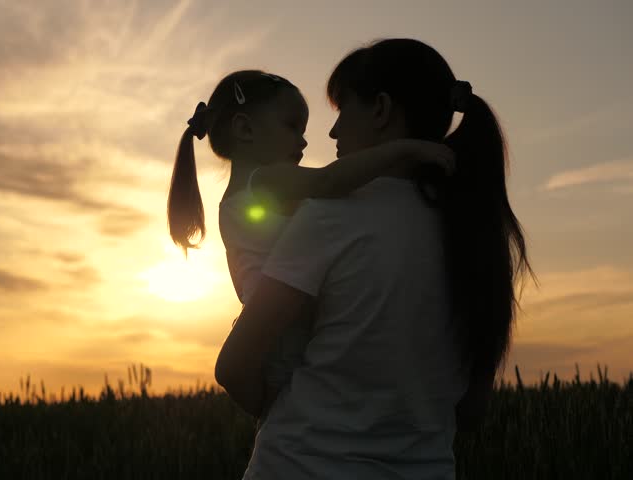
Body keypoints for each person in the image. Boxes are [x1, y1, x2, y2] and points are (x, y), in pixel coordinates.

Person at [215, 39, 534, 479]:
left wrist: (278, 410)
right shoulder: (475, 232)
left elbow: (234, 367)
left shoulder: (331, 215)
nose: (331, 133)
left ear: (381, 110)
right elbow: (471, 410)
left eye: (343, 110)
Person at [167, 69, 454, 423]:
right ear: (244, 129)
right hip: (284, 340)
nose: (303, 143)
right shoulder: (265, 183)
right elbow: (331, 180)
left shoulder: (237, 199)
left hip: (276, 340)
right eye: (292, 127)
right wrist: (403, 150)